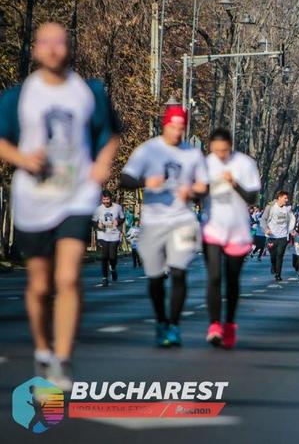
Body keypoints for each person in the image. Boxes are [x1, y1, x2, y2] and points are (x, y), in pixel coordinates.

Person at [0, 22, 120, 388]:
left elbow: (110, 134)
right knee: (39, 285)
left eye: (60, 42)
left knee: (67, 277)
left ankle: (63, 358)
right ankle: (42, 351)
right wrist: (22, 158)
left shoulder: (89, 92)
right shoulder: (18, 97)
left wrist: (101, 165)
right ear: (35, 50)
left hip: (75, 194)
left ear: (69, 48)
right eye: (45, 43)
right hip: (34, 196)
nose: (53, 49)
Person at [120, 105, 208, 348]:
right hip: (153, 221)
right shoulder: (149, 150)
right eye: (173, 127)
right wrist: (146, 180)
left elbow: (204, 187)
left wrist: (192, 190)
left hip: (182, 221)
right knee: (156, 278)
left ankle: (174, 326)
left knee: (179, 271)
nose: (177, 133)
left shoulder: (192, 154)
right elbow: (125, 179)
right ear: (164, 125)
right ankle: (161, 321)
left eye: (182, 128)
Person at [200, 128, 260, 349]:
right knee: (214, 277)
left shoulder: (245, 164)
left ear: (231, 146)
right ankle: (214, 324)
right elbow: (197, 194)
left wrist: (234, 183)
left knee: (232, 281)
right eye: (216, 150)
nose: (221, 155)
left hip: (238, 231)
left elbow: (252, 197)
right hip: (212, 228)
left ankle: (230, 324)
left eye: (224, 150)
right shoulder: (205, 164)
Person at [260, 191, 296, 282]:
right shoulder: (271, 207)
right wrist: (266, 230)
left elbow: (292, 219)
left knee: (280, 255)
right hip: (272, 236)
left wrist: (291, 229)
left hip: (283, 236)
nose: (286, 200)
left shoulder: (287, 208)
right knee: (273, 255)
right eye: (285, 198)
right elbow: (263, 220)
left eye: (287, 198)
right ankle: (273, 265)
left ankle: (278, 274)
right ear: (279, 198)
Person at [92, 190, 125, 286]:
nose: (105, 201)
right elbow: (93, 221)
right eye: (104, 199)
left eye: (107, 199)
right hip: (102, 234)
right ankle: (105, 278)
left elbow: (122, 218)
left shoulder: (117, 207)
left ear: (111, 199)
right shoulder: (98, 209)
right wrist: (98, 225)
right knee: (104, 256)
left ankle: (113, 268)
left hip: (114, 234)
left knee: (113, 257)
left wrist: (118, 222)